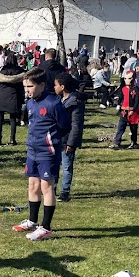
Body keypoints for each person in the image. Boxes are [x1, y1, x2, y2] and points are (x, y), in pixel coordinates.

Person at [12, 67, 69, 241]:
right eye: (24, 87)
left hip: (48, 152)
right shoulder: (29, 103)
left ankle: (46, 227)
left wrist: (55, 142)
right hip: (32, 151)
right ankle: (32, 220)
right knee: (33, 186)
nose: (27, 90)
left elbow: (65, 125)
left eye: (30, 86)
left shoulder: (54, 103)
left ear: (42, 85)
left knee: (46, 187)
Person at [55, 72, 84, 202]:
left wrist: (71, 143)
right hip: (57, 138)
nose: (53, 87)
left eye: (55, 85)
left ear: (62, 86)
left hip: (67, 140)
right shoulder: (58, 100)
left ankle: (64, 192)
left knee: (66, 167)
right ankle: (51, 188)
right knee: (54, 165)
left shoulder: (74, 103)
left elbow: (76, 125)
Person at [0, 52, 25, 146]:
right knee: (13, 118)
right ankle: (12, 139)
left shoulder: (2, 70)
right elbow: (21, 86)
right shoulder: (19, 71)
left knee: (0, 117)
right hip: (13, 95)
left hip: (2, 95)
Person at [109, 69, 139, 150]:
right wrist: (118, 105)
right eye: (126, 78)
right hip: (124, 111)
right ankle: (117, 142)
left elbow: (137, 101)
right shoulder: (123, 89)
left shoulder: (135, 89)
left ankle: (134, 142)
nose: (127, 80)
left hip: (133, 112)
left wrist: (133, 110)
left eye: (130, 78)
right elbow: (120, 98)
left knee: (133, 128)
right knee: (121, 126)